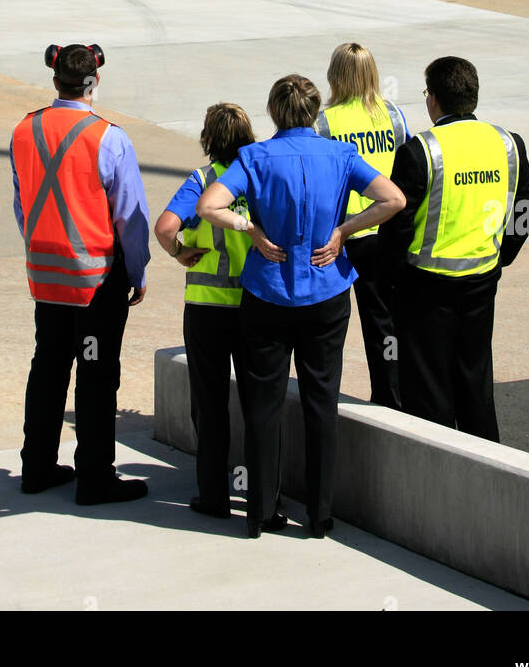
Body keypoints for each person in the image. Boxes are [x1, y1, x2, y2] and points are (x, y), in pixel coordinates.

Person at [197, 75, 405, 539]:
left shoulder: (254, 157)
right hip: (326, 293)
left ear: (274, 113)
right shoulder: (341, 155)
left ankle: (259, 512)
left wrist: (250, 228)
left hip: (267, 293)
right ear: (315, 112)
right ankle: (319, 514)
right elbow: (393, 199)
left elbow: (211, 205)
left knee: (263, 406)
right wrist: (343, 232)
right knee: (320, 401)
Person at [10, 42, 150, 504]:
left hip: (45, 277)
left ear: (55, 80)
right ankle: (94, 477)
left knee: (47, 368)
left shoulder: (24, 130)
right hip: (94, 283)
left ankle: (36, 468)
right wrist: (138, 270)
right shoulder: (109, 137)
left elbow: (22, 203)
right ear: (94, 81)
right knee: (95, 375)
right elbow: (129, 215)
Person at [377, 56, 529, 442]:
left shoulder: (421, 151)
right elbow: (527, 210)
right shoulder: (508, 144)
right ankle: (486, 466)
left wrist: (390, 282)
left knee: (428, 394)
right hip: (482, 282)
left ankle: (434, 474)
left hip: (424, 289)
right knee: (475, 385)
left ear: (433, 99)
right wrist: (502, 253)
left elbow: (396, 229)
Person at [154, 103, 256, 519]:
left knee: (210, 404)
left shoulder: (202, 181)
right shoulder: (259, 176)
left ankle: (213, 495)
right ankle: (262, 493)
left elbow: (164, 228)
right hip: (255, 307)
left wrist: (180, 253)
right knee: (258, 404)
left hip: (207, 308)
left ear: (209, 139)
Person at [315, 43, 409, 408]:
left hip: (341, 235)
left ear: (333, 76)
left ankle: (324, 394)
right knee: (384, 324)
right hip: (384, 230)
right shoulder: (395, 116)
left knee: (328, 326)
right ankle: (390, 396)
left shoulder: (324, 122)